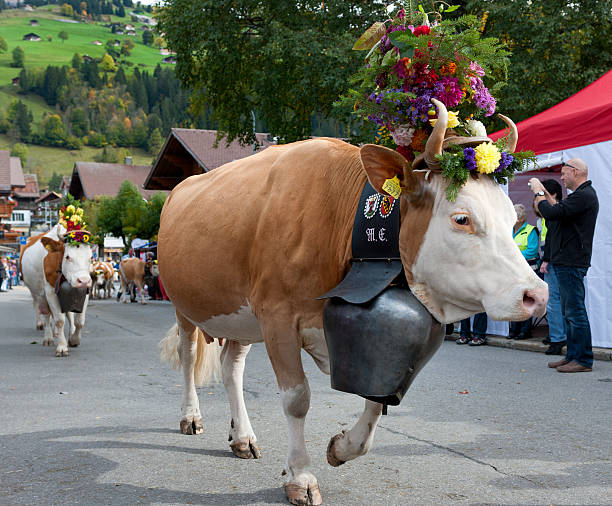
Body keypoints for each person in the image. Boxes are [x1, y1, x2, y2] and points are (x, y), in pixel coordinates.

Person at [530, 158, 599, 373]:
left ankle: (583, 359)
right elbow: (555, 215)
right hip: (564, 260)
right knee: (569, 311)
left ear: (575, 171)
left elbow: (552, 213)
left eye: (563, 173)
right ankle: (572, 356)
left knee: (575, 312)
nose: (561, 177)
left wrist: (539, 192)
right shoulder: (578, 197)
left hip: (571, 261)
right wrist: (546, 198)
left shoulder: (585, 195)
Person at [538, 179, 567, 355]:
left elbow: (552, 240)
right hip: (557, 260)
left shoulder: (555, 213)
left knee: (555, 302)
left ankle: (557, 338)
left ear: (553, 194)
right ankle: (557, 335)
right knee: (559, 302)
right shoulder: (556, 213)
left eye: (541, 194)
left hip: (556, 261)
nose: (538, 199)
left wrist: (546, 259)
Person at [508, 204, 539, 340]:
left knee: (526, 300)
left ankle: (525, 330)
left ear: (520, 219)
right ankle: (514, 329)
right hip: (514, 270)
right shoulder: (509, 230)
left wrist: (514, 254)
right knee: (515, 299)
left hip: (528, 270)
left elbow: (532, 250)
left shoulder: (531, 230)